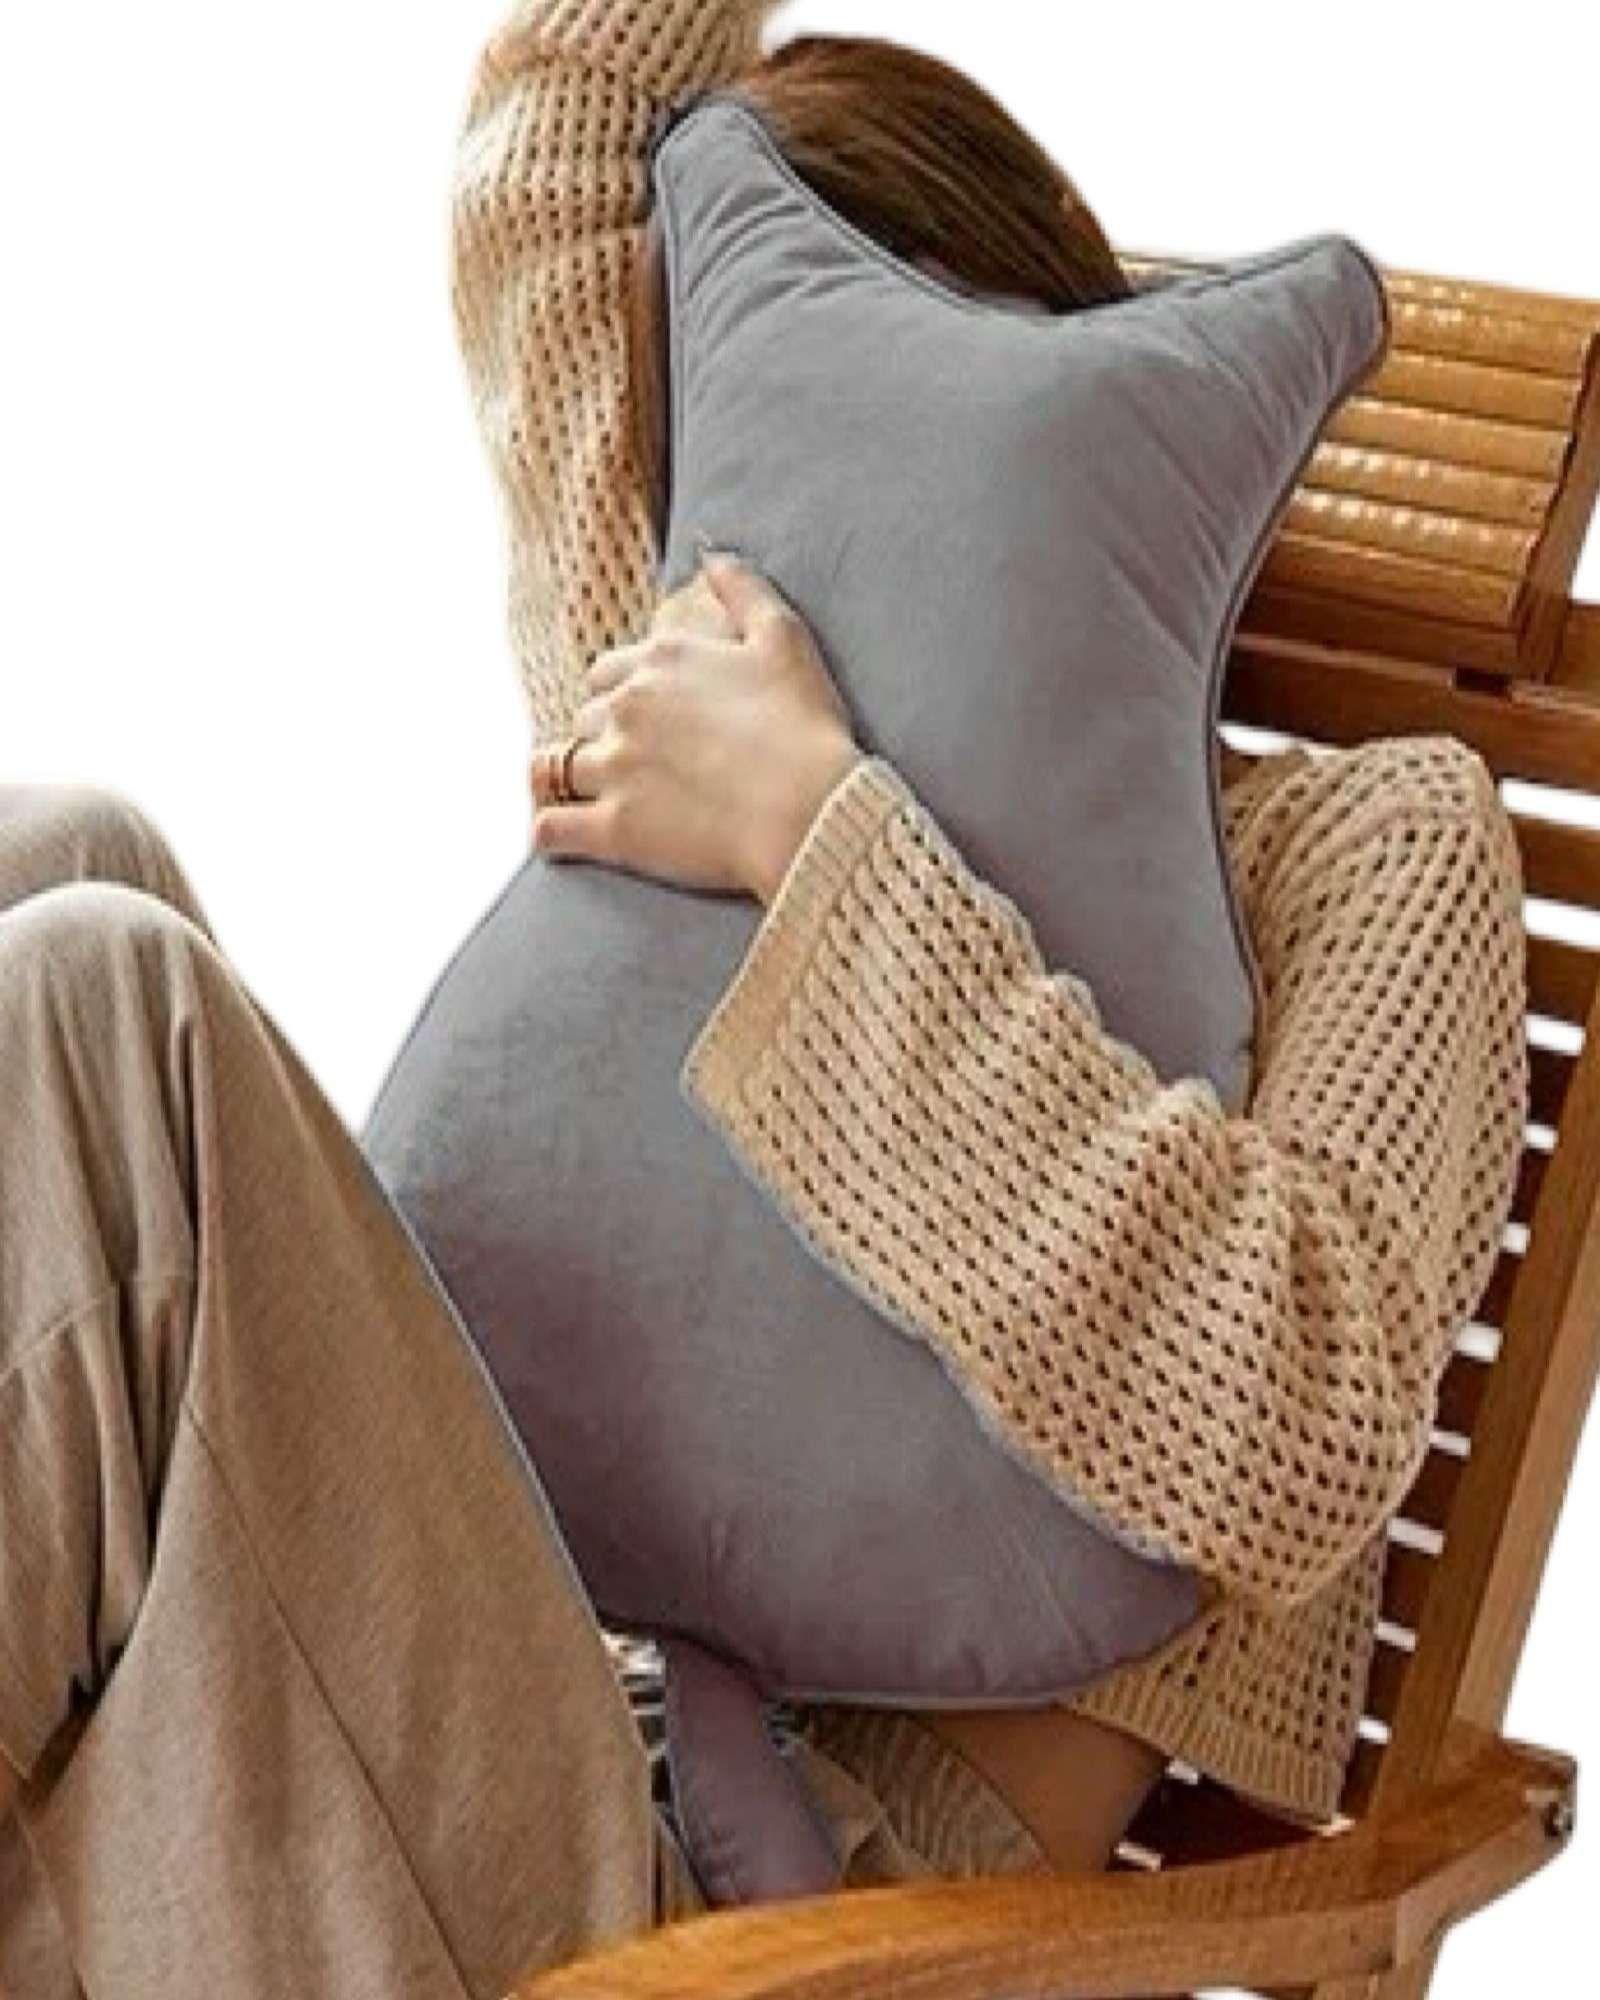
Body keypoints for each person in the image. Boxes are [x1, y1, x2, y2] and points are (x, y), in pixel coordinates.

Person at [0, 7, 1530, 2000]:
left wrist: (818, 840)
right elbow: (557, 146)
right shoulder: (684, 659)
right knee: (61, 856)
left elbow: (1289, 1428)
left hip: (763, 1919)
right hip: (457, 1745)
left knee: (105, 1020)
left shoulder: (1367, 855)